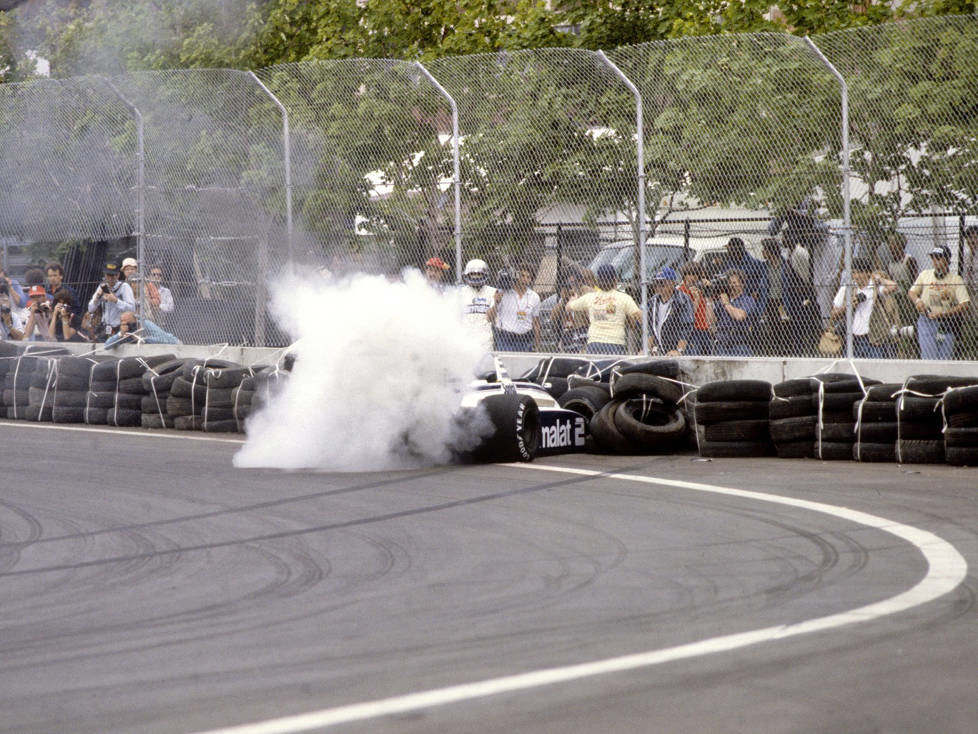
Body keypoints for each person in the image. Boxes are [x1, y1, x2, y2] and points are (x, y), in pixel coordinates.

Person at [908, 245, 971, 360]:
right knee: (929, 357)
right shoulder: (925, 274)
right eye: (933, 258)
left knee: (945, 358)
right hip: (927, 319)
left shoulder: (955, 279)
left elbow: (964, 304)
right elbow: (912, 292)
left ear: (947, 260)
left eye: (938, 258)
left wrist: (944, 313)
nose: (935, 262)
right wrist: (918, 301)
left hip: (946, 322)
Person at [564, 263, 641, 355]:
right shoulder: (623, 298)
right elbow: (639, 316)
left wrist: (573, 300)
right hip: (615, 342)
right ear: (615, 280)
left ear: (598, 280)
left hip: (595, 342)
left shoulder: (590, 297)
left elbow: (568, 307)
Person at [830, 257, 898, 359]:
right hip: (853, 339)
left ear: (868, 273)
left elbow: (893, 286)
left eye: (859, 273)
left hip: (873, 338)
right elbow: (834, 314)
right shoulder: (847, 289)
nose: (856, 276)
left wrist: (879, 278)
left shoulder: (875, 288)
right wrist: (848, 306)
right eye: (854, 273)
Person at [487, 263, 541, 352]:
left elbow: (536, 323)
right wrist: (496, 303)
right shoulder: (502, 292)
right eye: (522, 276)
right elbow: (489, 318)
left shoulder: (534, 297)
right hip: (506, 340)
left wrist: (537, 346)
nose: (525, 279)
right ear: (516, 276)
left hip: (525, 339)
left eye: (528, 277)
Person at [648, 267, 693, 357]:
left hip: (676, 345)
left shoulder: (682, 299)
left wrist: (679, 350)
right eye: (656, 283)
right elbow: (650, 327)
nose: (658, 287)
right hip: (660, 347)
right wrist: (647, 349)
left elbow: (686, 327)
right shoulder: (654, 300)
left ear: (672, 283)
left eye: (662, 284)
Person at [712, 269, 757, 357]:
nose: (731, 285)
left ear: (742, 284)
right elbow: (710, 320)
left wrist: (726, 304)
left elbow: (739, 316)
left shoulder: (747, 300)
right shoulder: (722, 299)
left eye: (734, 283)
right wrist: (708, 298)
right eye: (730, 282)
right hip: (721, 345)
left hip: (739, 345)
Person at [88, 262, 136, 341]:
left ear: (118, 275)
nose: (110, 278)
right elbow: (90, 309)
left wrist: (116, 300)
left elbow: (132, 309)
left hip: (120, 327)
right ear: (104, 275)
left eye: (113, 275)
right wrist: (97, 298)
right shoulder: (102, 286)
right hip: (106, 327)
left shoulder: (124, 287)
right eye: (108, 275)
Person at [459, 258, 497, 351]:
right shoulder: (460, 292)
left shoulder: (492, 292)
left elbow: (492, 317)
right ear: (467, 274)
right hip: (465, 339)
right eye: (473, 274)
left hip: (485, 340)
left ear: (485, 274)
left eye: (479, 274)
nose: (475, 276)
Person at [678, 261, 715, 356]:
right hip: (692, 330)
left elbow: (711, 316)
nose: (693, 278)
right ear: (684, 276)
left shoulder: (701, 289)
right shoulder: (681, 291)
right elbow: (689, 315)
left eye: (695, 275)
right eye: (689, 274)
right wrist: (697, 299)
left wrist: (708, 293)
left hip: (705, 330)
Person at [724, 237, 768, 315]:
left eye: (730, 250)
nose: (729, 252)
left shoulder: (754, 264)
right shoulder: (728, 263)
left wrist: (757, 291)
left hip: (749, 300)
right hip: (734, 299)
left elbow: (764, 280)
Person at [104, 311, 179, 349]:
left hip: (173, 343)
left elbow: (164, 339)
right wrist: (120, 334)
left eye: (129, 324)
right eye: (124, 324)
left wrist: (142, 339)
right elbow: (107, 346)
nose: (127, 327)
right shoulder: (124, 332)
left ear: (135, 321)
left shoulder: (145, 324)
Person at [960, 226, 978, 359]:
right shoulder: (965, 255)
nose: (972, 240)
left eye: (974, 237)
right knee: (968, 322)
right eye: (969, 238)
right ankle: (969, 352)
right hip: (968, 292)